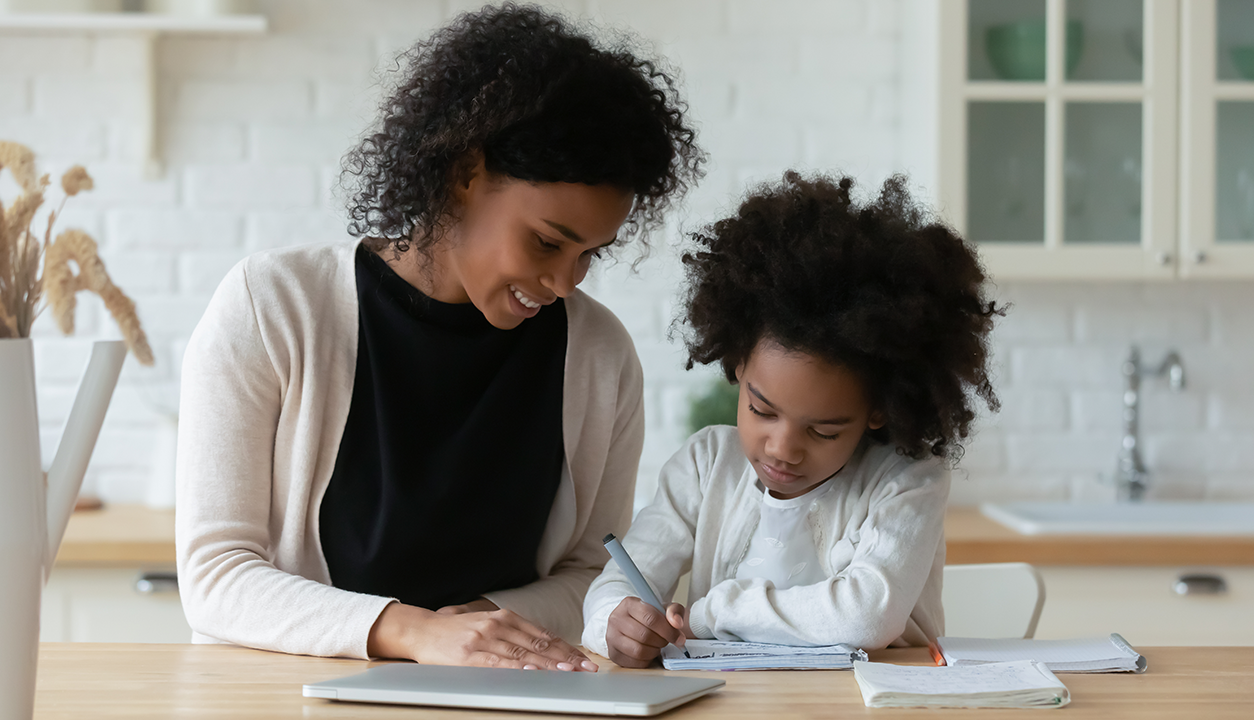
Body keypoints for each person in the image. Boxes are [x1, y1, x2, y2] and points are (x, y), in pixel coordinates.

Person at [175, 3, 702, 670]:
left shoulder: (598, 356)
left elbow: (590, 575)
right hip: (296, 699)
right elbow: (215, 575)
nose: (566, 282)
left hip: (510, 698)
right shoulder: (273, 307)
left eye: (590, 254)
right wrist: (414, 632)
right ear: (464, 173)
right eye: (546, 242)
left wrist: (484, 627)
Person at [582, 172, 1004, 668]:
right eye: (762, 411)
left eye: (824, 430)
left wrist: (712, 612)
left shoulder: (907, 480)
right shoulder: (704, 466)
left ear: (878, 410)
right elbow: (614, 585)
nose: (782, 448)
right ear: (738, 364)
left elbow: (868, 617)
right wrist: (617, 620)